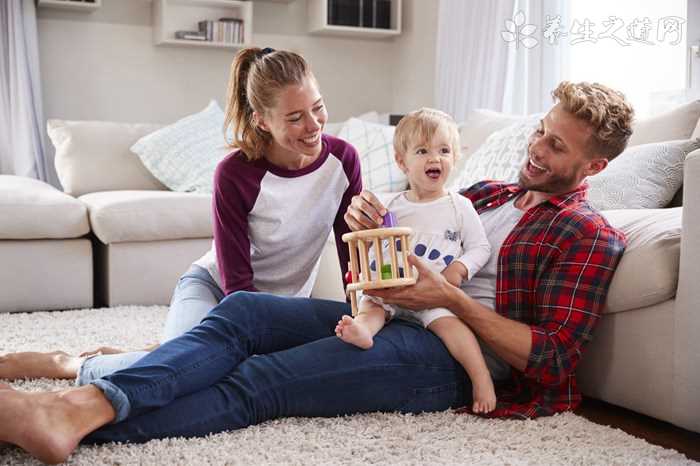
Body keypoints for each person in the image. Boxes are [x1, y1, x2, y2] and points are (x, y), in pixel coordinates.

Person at [0, 81, 632, 465]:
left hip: (450, 355)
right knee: (240, 313)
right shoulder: (491, 193)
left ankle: (71, 412)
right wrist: (366, 228)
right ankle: (76, 395)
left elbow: (552, 361)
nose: (536, 149)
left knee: (262, 380)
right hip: (393, 313)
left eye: (557, 147)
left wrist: (449, 298)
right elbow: (420, 234)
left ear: (594, 167)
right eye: (540, 132)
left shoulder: (586, 235)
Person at [0, 46, 361, 384]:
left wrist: (363, 312)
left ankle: (160, 350)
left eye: (318, 107)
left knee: (219, 362)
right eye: (295, 117)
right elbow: (237, 288)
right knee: (198, 366)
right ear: (262, 121)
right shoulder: (235, 173)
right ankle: (68, 364)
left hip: (282, 307)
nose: (314, 125)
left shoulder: (342, 160)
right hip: (217, 290)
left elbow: (353, 250)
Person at [334, 108, 496, 413]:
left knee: (453, 327)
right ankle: (364, 332)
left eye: (444, 150)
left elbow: (479, 247)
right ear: (401, 162)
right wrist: (372, 272)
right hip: (395, 288)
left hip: (433, 292)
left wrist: (458, 269)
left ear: (455, 157)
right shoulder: (392, 207)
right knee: (371, 306)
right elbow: (378, 246)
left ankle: (481, 378)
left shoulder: (459, 206)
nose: (434, 158)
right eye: (422, 151)